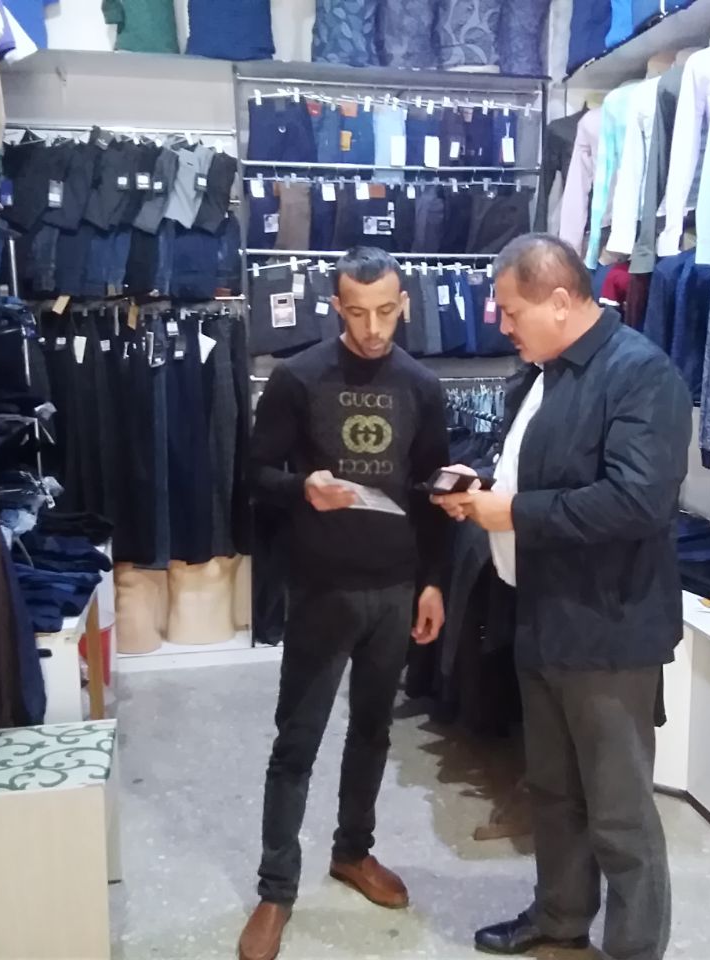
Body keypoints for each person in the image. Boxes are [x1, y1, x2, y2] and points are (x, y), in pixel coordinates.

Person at [433, 234, 692, 960]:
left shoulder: (641, 375)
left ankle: (635, 948)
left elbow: (639, 501)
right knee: (552, 788)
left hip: (609, 627)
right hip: (541, 612)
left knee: (620, 810)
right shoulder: (540, 374)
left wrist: (513, 512)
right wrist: (485, 490)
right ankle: (560, 917)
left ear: (557, 299)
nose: (502, 325)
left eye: (511, 311)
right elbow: (539, 473)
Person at [239, 247, 451, 960]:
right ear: (336, 307)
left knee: (373, 733)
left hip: (394, 589)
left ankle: (352, 851)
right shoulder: (298, 378)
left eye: (386, 311)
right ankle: (276, 889)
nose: (373, 328)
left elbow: (431, 492)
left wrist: (433, 582)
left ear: (405, 303)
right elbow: (253, 474)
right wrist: (302, 488)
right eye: (357, 313)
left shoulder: (422, 385)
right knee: (296, 741)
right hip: (322, 589)